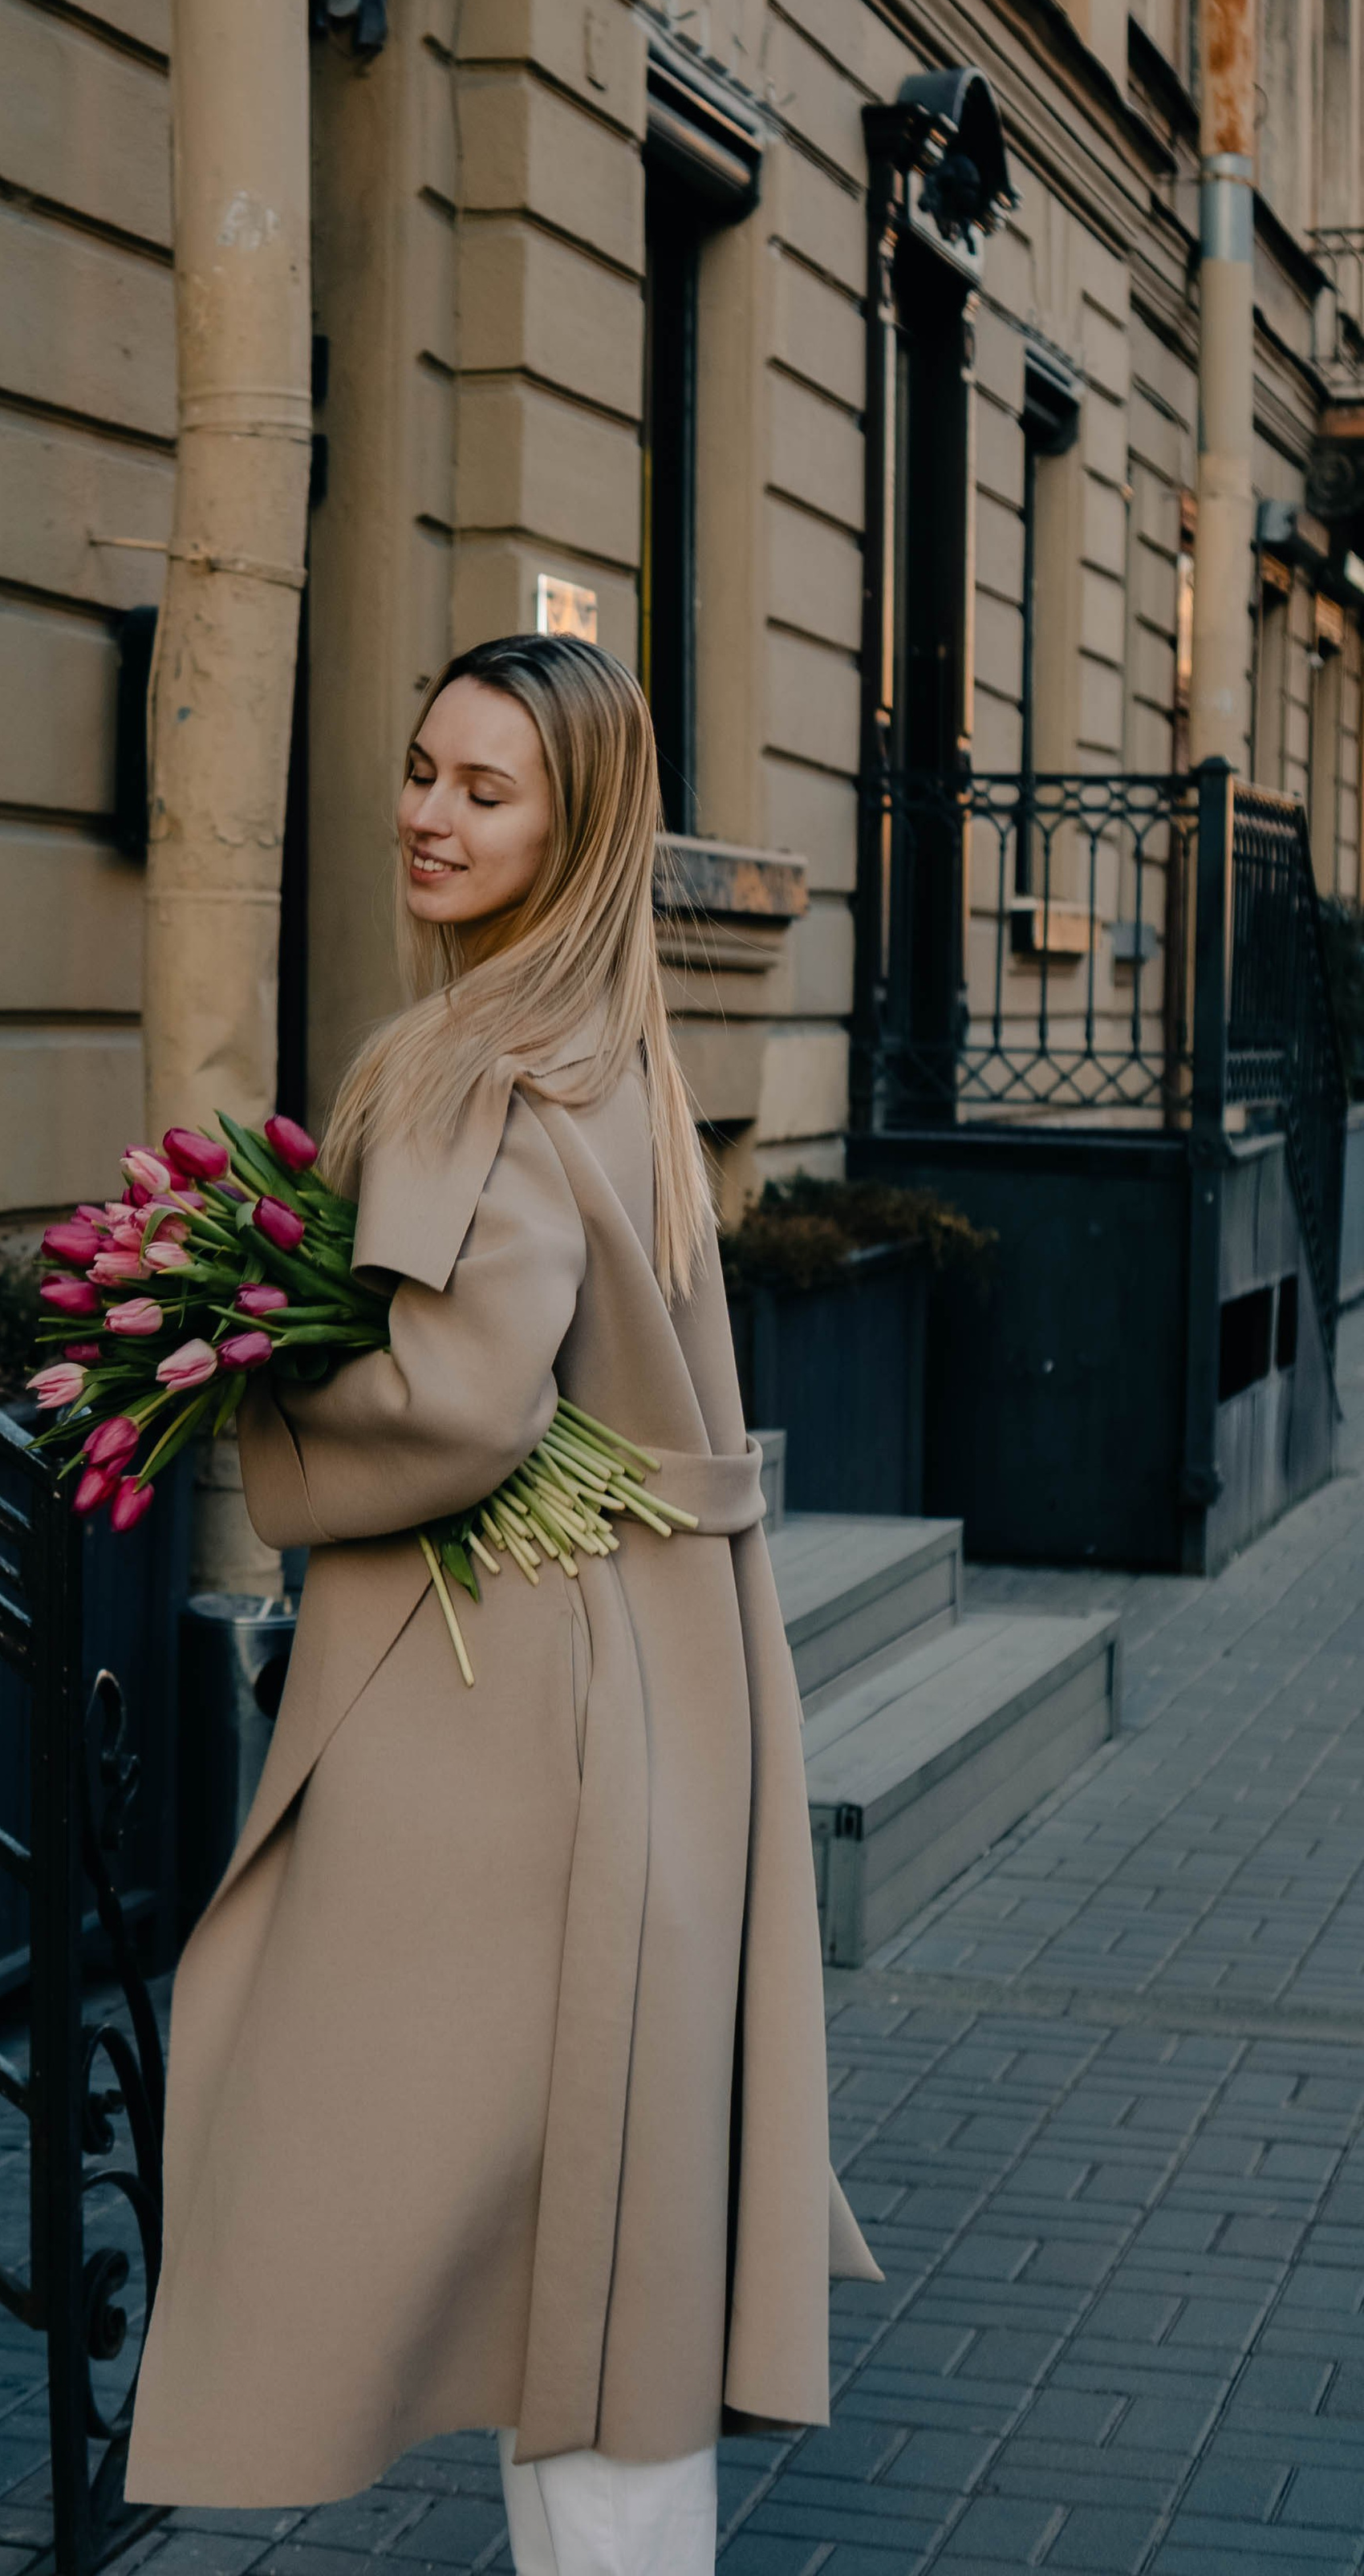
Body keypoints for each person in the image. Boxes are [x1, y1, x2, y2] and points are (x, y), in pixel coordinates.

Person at [127, 633, 879, 2575]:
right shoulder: (614, 1049)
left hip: (515, 1723)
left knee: (528, 2240)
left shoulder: (473, 1060)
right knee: (601, 2257)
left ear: (577, 824)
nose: (427, 817)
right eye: (419, 770)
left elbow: (462, 1402)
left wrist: (252, 1389)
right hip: (637, 1692)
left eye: (484, 790)